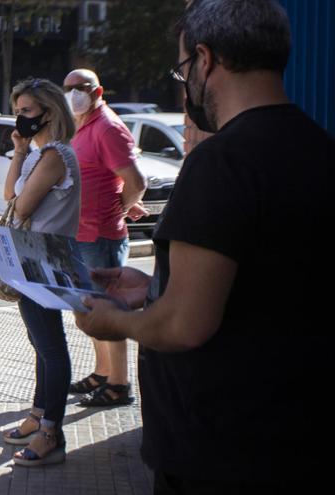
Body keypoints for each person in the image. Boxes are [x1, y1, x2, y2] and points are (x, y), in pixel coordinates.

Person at [74, 0, 334, 491]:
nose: (185, 83)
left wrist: (112, 320)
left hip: (221, 450)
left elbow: (182, 326)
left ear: (205, 59)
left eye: (182, 69)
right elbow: (269, 287)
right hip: (304, 436)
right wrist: (154, 288)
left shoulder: (219, 163)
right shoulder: (320, 148)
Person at [0, 78, 81, 467]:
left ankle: (52, 432)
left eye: (27, 111)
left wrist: (19, 195)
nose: (20, 117)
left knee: (51, 346)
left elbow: (23, 206)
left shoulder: (56, 155)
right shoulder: (36, 154)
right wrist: (17, 152)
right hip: (31, 257)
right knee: (39, 340)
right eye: (18, 110)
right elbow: (8, 196)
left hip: (46, 261)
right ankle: (38, 413)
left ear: (49, 112)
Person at [62, 68, 147, 407]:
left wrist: (119, 210)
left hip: (100, 237)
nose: (73, 94)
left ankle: (119, 385)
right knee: (89, 308)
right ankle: (102, 372)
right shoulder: (82, 126)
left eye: (80, 88)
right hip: (81, 234)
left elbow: (136, 181)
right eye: (67, 88)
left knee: (109, 309)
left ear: (97, 92)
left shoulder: (108, 127)